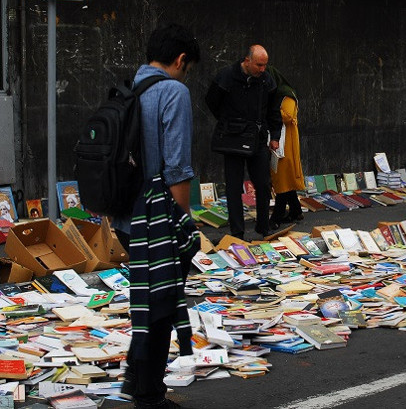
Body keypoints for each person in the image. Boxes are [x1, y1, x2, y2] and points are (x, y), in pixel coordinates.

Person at [115, 23, 201, 409]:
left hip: (125, 219)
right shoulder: (173, 92)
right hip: (158, 221)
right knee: (162, 308)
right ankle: (149, 397)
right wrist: (183, 226)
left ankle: (137, 377)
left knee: (149, 300)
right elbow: (178, 169)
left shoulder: (130, 89)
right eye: (188, 67)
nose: (186, 74)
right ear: (181, 60)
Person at [206, 45, 282, 239]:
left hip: (257, 137)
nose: (262, 69)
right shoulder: (227, 75)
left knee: (263, 184)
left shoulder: (266, 80)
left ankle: (263, 227)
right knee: (233, 186)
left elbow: (274, 109)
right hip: (233, 137)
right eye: (259, 65)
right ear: (247, 60)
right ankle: (237, 231)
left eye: (265, 65)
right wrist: (228, 121)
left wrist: (274, 136)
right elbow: (212, 100)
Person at [266, 65, 305, 228]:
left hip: (285, 142)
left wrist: (269, 112)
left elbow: (288, 116)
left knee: (283, 177)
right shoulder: (274, 95)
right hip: (277, 138)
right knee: (284, 176)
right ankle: (296, 210)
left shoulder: (286, 94)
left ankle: (277, 215)